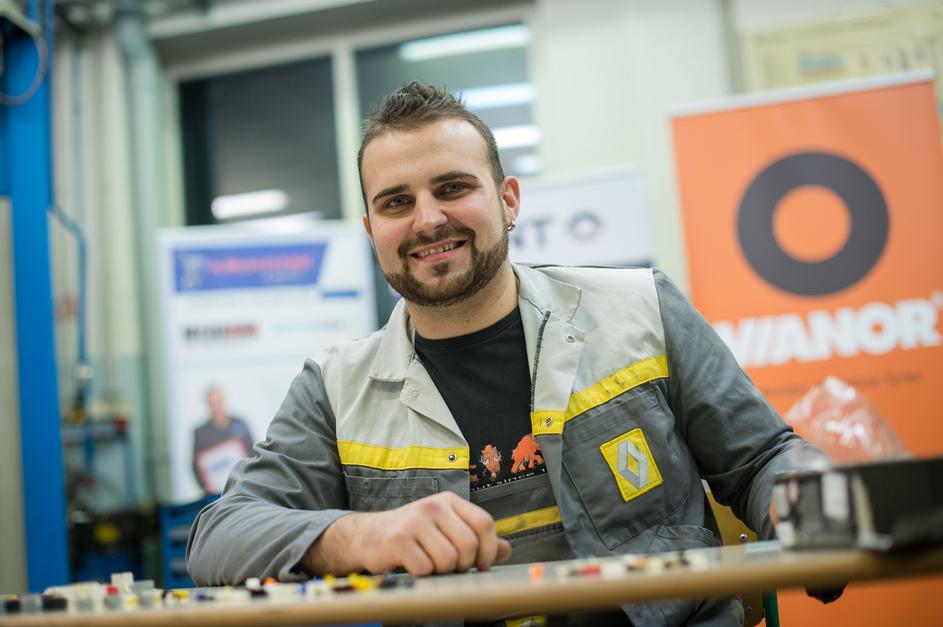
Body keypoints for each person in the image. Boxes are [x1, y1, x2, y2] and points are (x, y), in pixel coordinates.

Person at [186, 82, 827, 626]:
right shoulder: (335, 389)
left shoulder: (640, 308)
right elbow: (220, 535)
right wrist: (358, 536)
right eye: (397, 202)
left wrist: (815, 504)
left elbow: (762, 458)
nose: (427, 220)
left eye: (452, 187)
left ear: (509, 199)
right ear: (371, 229)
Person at [191, 385, 255, 495]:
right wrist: (205, 487)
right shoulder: (200, 432)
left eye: (218, 402)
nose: (216, 407)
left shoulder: (240, 423)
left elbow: (253, 453)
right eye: (212, 403)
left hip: (243, 488)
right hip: (216, 494)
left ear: (224, 401)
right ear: (207, 405)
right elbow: (195, 465)